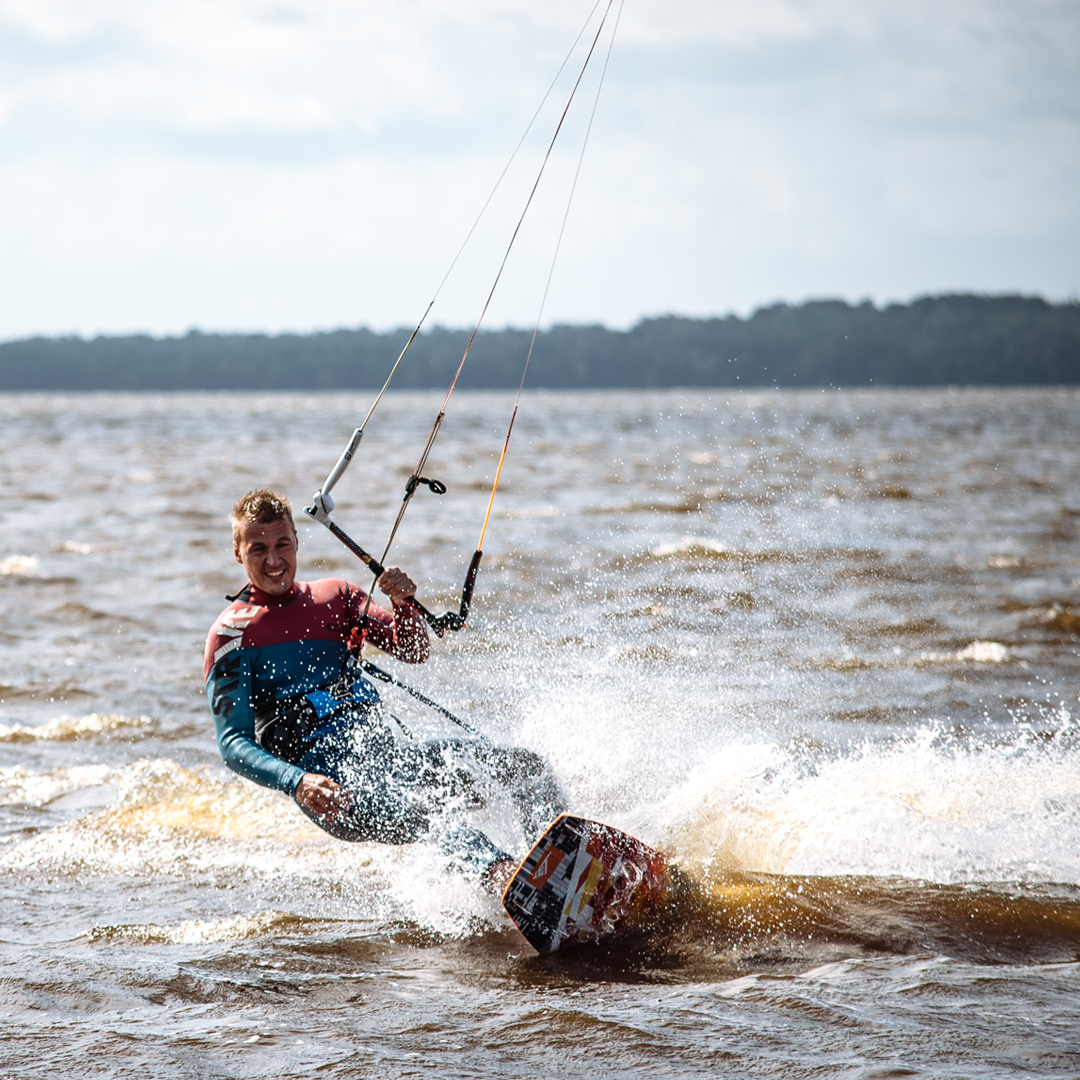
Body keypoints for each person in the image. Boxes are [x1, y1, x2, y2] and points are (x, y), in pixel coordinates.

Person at [204, 488, 562, 885]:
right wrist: (298, 782)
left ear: (296, 542)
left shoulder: (335, 597)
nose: (273, 560)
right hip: (336, 790)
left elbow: (412, 649)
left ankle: (566, 864)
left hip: (391, 762)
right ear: (238, 552)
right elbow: (233, 745)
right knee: (432, 815)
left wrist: (403, 604)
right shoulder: (231, 635)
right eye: (258, 549)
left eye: (282, 544)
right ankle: (514, 883)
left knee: (526, 769)